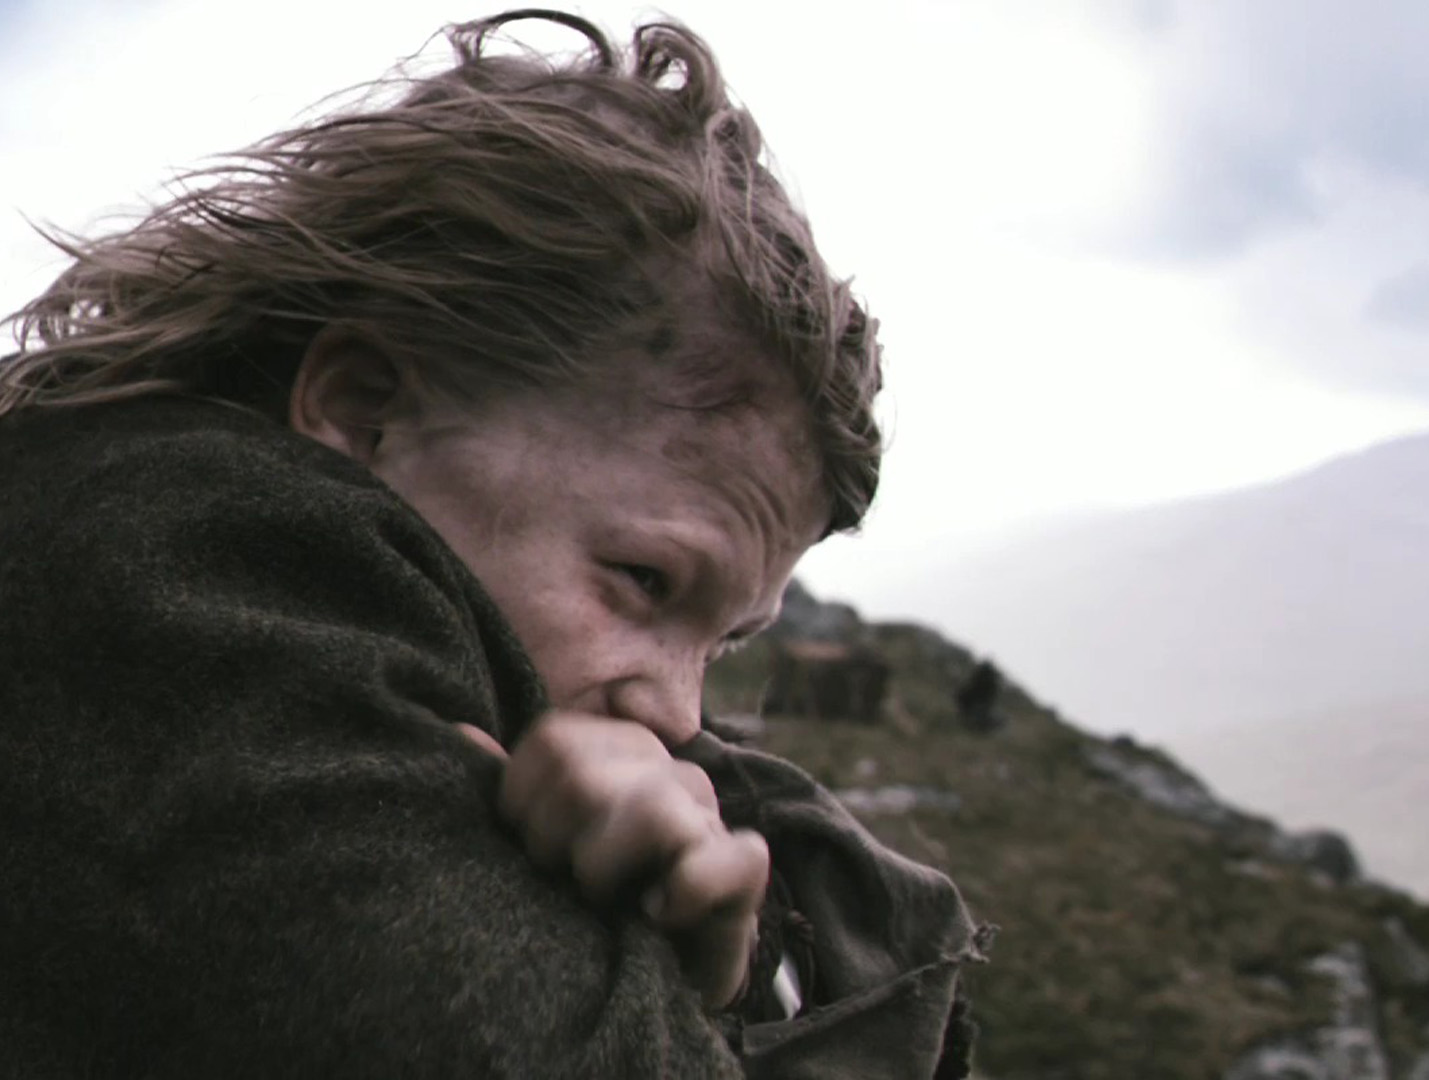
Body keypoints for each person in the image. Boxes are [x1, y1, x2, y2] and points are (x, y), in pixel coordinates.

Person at [0, 10, 982, 1079]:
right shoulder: (174, 571)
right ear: (362, 406)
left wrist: (720, 973)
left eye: (726, 641)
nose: (678, 715)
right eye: (643, 580)